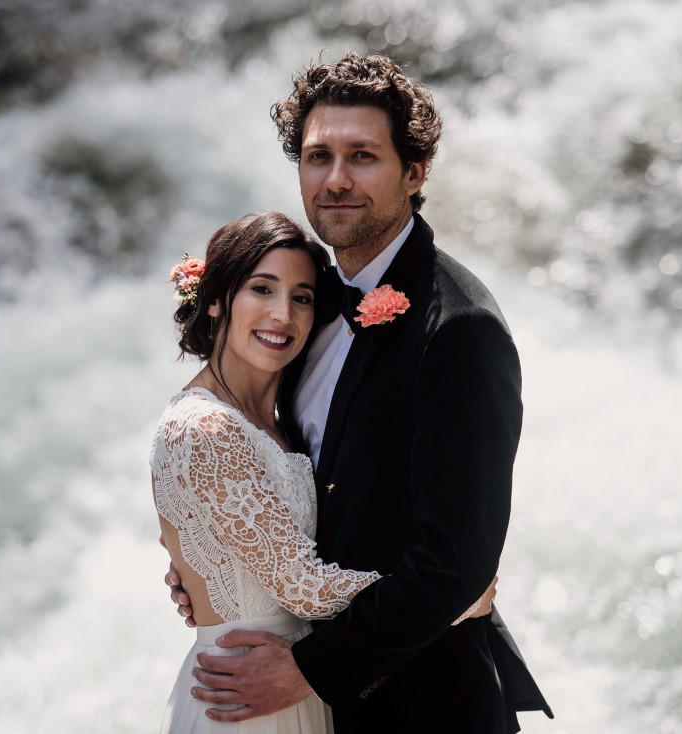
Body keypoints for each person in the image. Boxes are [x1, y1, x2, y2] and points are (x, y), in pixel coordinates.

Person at [167, 53, 554, 732]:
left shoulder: (461, 329)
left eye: (363, 156)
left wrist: (309, 669)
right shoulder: (303, 303)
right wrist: (220, 564)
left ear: (414, 172)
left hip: (423, 704)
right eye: (319, 157)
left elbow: (456, 562)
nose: (336, 180)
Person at [150, 211, 495, 733]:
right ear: (216, 298)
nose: (282, 315)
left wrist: (212, 572)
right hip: (243, 693)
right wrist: (451, 600)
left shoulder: (274, 415)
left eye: (303, 297)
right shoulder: (203, 427)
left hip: (300, 682)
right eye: (261, 289)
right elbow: (302, 586)